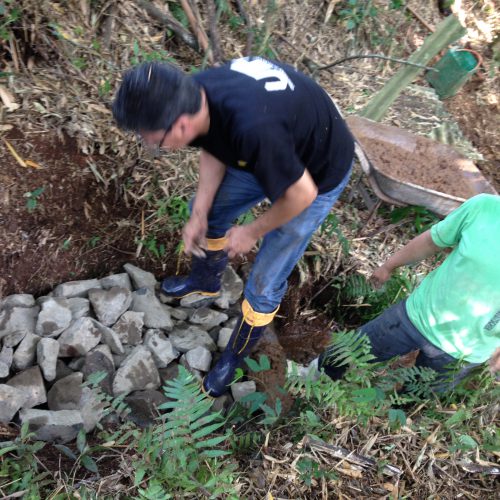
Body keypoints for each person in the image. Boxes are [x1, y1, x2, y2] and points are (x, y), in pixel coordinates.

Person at [113, 57, 354, 397]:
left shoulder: (253, 128)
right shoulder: (195, 95)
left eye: (151, 139)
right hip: (271, 147)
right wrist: (200, 208)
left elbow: (301, 194)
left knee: (265, 280)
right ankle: (206, 280)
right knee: (208, 211)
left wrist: (252, 231)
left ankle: (234, 358)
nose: (151, 144)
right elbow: (215, 144)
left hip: (314, 173)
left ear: (180, 125)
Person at [320, 193, 500, 387]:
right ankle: (306, 380)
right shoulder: (484, 208)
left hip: (465, 350)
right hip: (417, 314)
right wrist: (389, 266)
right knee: (340, 355)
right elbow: (432, 241)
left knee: (415, 400)